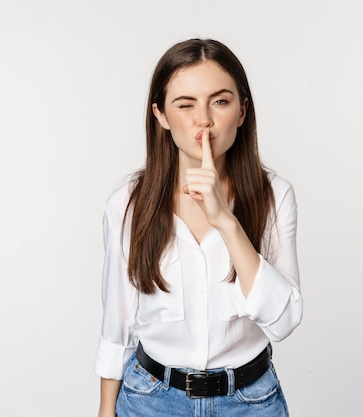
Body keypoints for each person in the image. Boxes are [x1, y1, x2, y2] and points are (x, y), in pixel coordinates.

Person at [94, 38, 302, 417]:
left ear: (242, 111)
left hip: (249, 401)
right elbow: (117, 326)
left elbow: (284, 320)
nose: (203, 119)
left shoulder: (275, 196)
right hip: (150, 400)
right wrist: (106, 410)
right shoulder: (127, 203)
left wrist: (226, 220)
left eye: (220, 101)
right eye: (185, 104)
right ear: (160, 116)